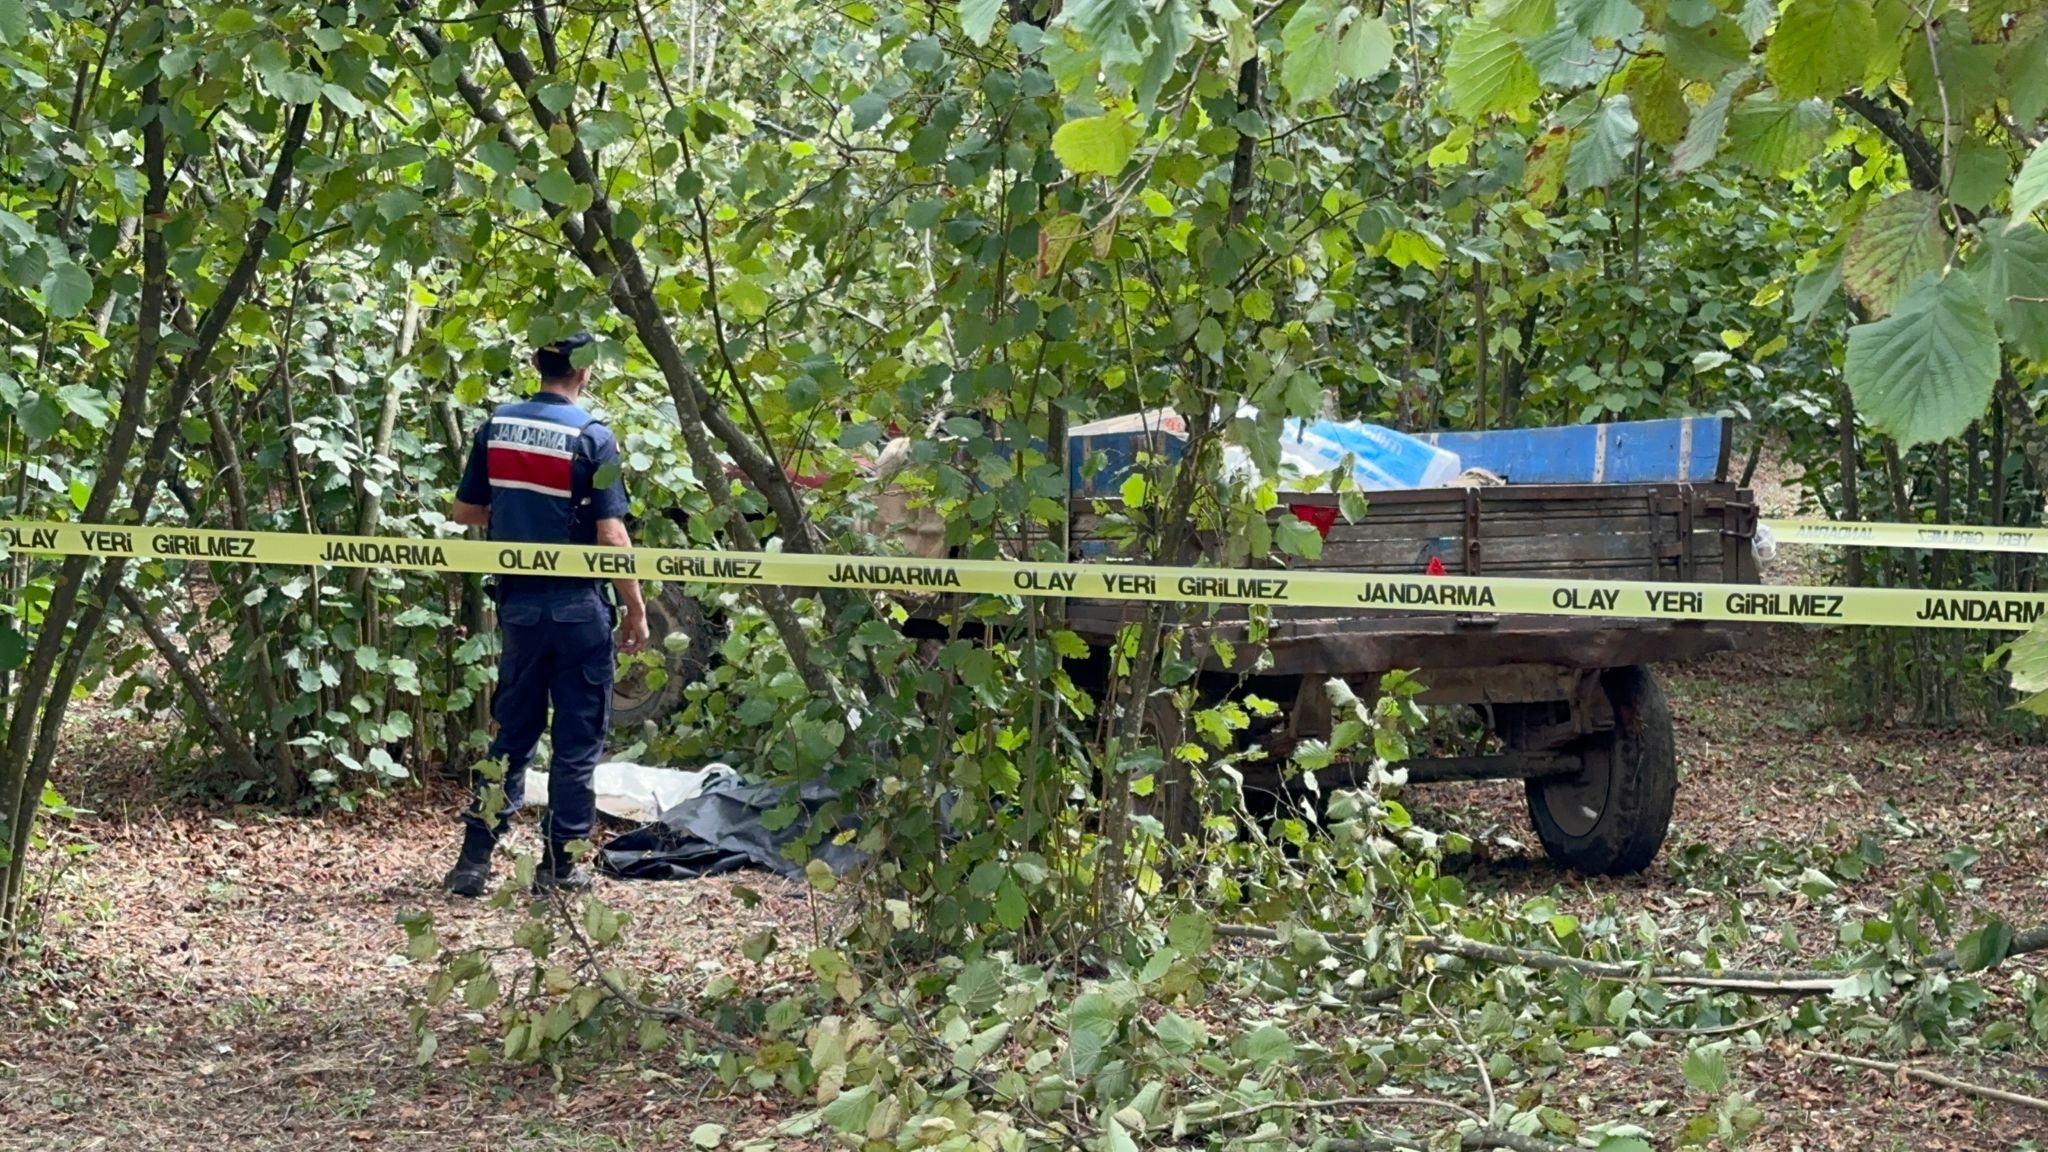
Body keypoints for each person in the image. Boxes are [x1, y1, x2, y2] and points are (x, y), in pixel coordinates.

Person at [441, 330, 651, 897]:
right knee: (577, 743)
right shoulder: (593, 437)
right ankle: (561, 867)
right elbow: (612, 534)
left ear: (536, 364)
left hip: (520, 609)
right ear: (585, 373)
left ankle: (473, 863)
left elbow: (466, 511)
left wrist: (521, 525)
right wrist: (635, 608)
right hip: (579, 609)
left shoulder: (497, 426)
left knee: (510, 739)